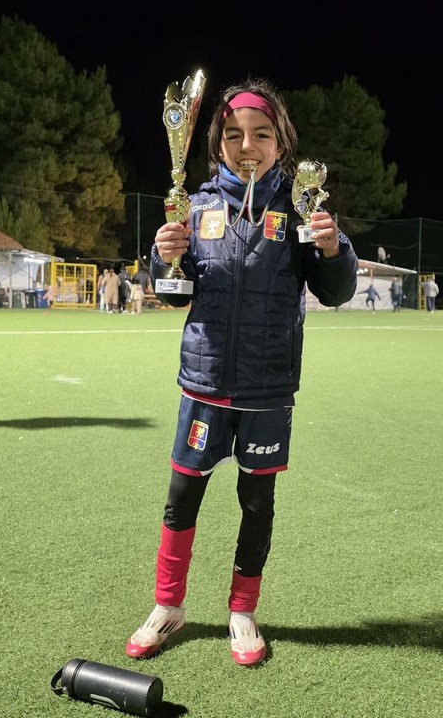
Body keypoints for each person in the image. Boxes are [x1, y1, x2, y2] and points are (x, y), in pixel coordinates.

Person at [125, 77, 358, 667]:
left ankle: (242, 611)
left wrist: (334, 251)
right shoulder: (197, 204)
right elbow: (174, 293)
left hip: (267, 387)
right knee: (182, 498)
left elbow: (335, 291)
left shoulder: (300, 208)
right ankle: (168, 604)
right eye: (233, 135)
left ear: (281, 143)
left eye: (261, 134)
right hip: (203, 384)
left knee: (257, 504)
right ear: (217, 144)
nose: (247, 145)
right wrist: (163, 257)